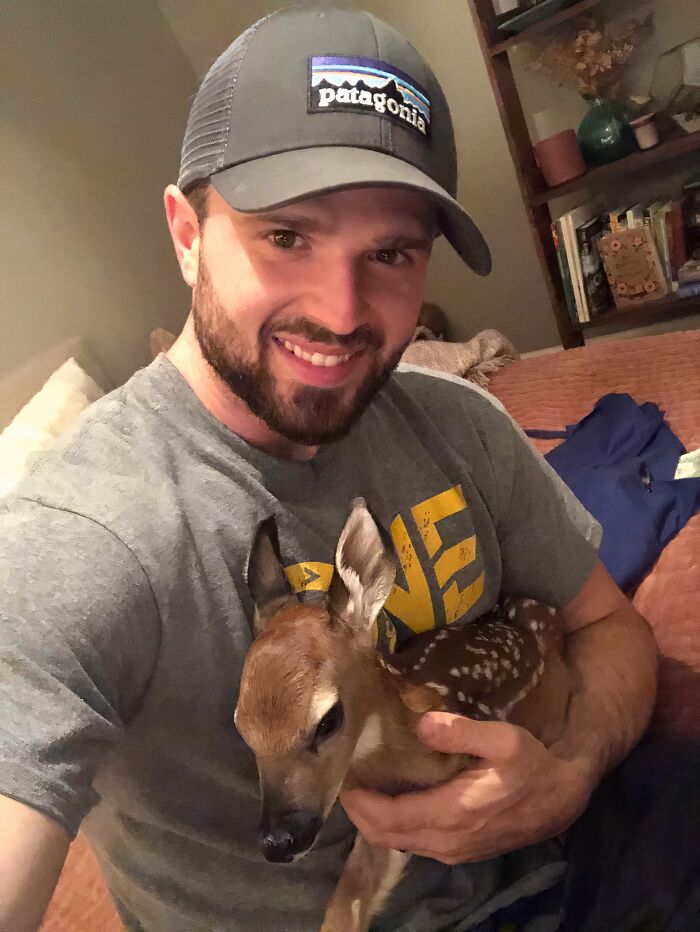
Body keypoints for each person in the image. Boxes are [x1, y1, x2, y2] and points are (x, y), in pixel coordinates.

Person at [0, 7, 665, 932]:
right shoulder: (86, 535)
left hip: (565, 862)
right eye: (286, 236)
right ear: (186, 233)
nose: (342, 312)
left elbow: (608, 627)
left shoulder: (462, 423)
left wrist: (571, 771)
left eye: (390, 252)